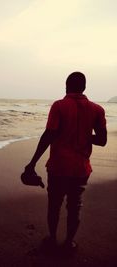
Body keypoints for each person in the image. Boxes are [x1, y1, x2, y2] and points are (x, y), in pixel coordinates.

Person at [24, 72, 107, 251]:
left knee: (54, 204)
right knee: (74, 206)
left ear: (66, 86)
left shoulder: (59, 106)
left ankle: (52, 239)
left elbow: (49, 135)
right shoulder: (97, 110)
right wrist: (85, 136)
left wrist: (32, 163)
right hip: (81, 169)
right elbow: (102, 140)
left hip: (58, 167)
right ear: (84, 87)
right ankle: (69, 243)